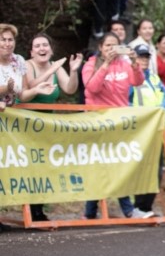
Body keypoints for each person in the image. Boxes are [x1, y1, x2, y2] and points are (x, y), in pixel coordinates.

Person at [81, 33, 152, 219]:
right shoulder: (91, 64)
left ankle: (121, 210)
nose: (111, 49)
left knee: (118, 166)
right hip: (96, 124)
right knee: (99, 167)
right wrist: (105, 65)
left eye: (115, 45)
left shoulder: (124, 64)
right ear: (100, 47)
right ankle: (94, 211)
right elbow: (92, 88)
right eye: (107, 46)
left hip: (119, 124)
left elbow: (138, 82)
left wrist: (135, 63)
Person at [24, 33, 83, 220]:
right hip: (24, 125)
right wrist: (51, 71)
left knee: (42, 167)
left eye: (45, 45)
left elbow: (70, 89)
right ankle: (28, 210)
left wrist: (73, 71)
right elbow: (28, 89)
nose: (42, 49)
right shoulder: (27, 65)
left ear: (51, 48)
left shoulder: (56, 66)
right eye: (38, 46)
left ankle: (38, 210)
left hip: (46, 126)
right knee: (27, 167)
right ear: (32, 52)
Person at [129, 44, 165, 217]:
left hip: (158, 131)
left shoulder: (154, 78)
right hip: (139, 132)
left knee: (156, 170)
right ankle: (138, 206)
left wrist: (159, 108)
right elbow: (126, 101)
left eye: (146, 57)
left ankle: (146, 207)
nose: (144, 60)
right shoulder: (131, 79)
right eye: (141, 57)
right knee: (142, 169)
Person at [0, 24, 53, 112]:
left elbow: (22, 95)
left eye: (10, 40)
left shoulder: (19, 60)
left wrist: (36, 90)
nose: (7, 44)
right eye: (3, 40)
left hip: (10, 119)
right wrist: (6, 89)